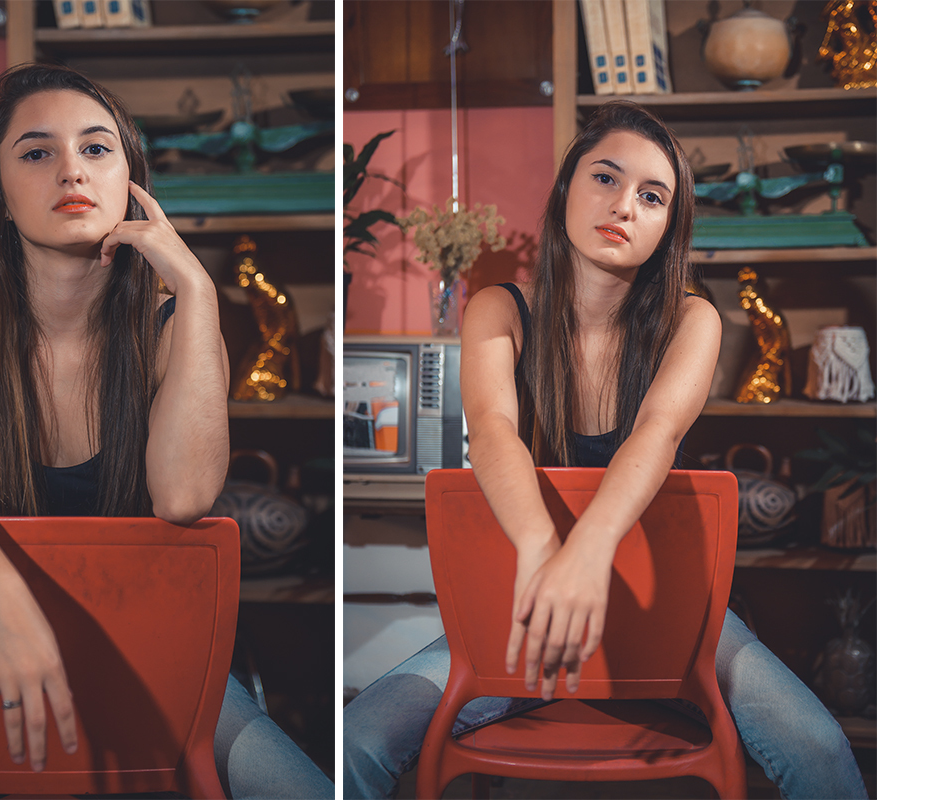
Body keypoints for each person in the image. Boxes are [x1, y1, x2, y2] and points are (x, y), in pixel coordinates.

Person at [0, 63, 333, 800]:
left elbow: (183, 495)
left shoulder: (176, 324)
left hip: (152, 654)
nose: (70, 170)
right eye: (36, 152)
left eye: (95, 148)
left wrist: (197, 289)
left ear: (130, 182)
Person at [342, 101, 867, 800]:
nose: (624, 205)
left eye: (652, 196)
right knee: (356, 740)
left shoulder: (693, 319)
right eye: (606, 178)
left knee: (818, 747)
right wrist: (544, 555)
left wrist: (586, 554)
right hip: (536, 601)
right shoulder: (498, 309)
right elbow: (492, 431)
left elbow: (657, 432)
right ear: (566, 189)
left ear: (668, 226)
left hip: (668, 607)